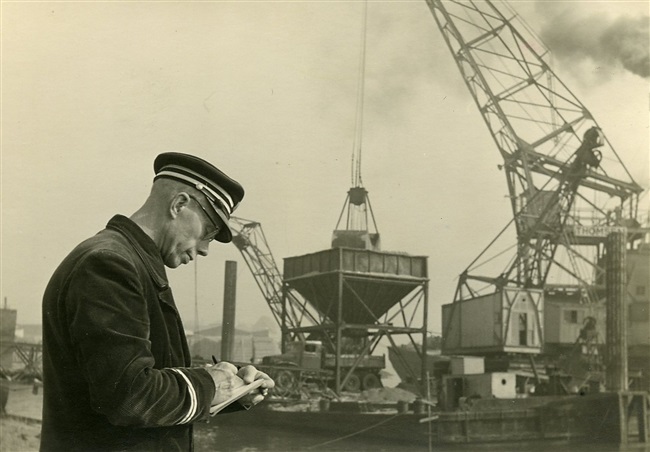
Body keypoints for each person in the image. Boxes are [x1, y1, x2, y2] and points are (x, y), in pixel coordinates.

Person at [40, 152, 275, 451]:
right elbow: (128, 395)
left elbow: (142, 378)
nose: (204, 249)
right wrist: (211, 383)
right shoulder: (109, 265)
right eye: (209, 232)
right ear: (179, 205)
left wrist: (231, 389)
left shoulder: (127, 260)